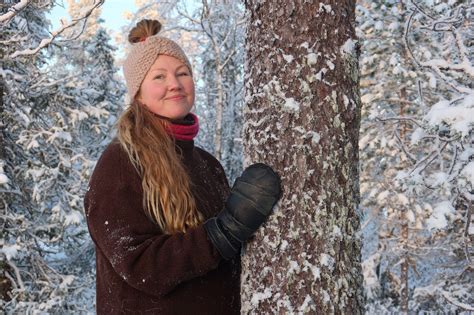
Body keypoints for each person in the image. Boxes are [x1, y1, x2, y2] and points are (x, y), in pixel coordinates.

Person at [83, 19, 281, 314]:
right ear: (138, 93)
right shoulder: (121, 162)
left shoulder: (208, 165)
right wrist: (224, 232)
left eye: (182, 73)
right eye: (159, 77)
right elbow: (137, 264)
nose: (174, 84)